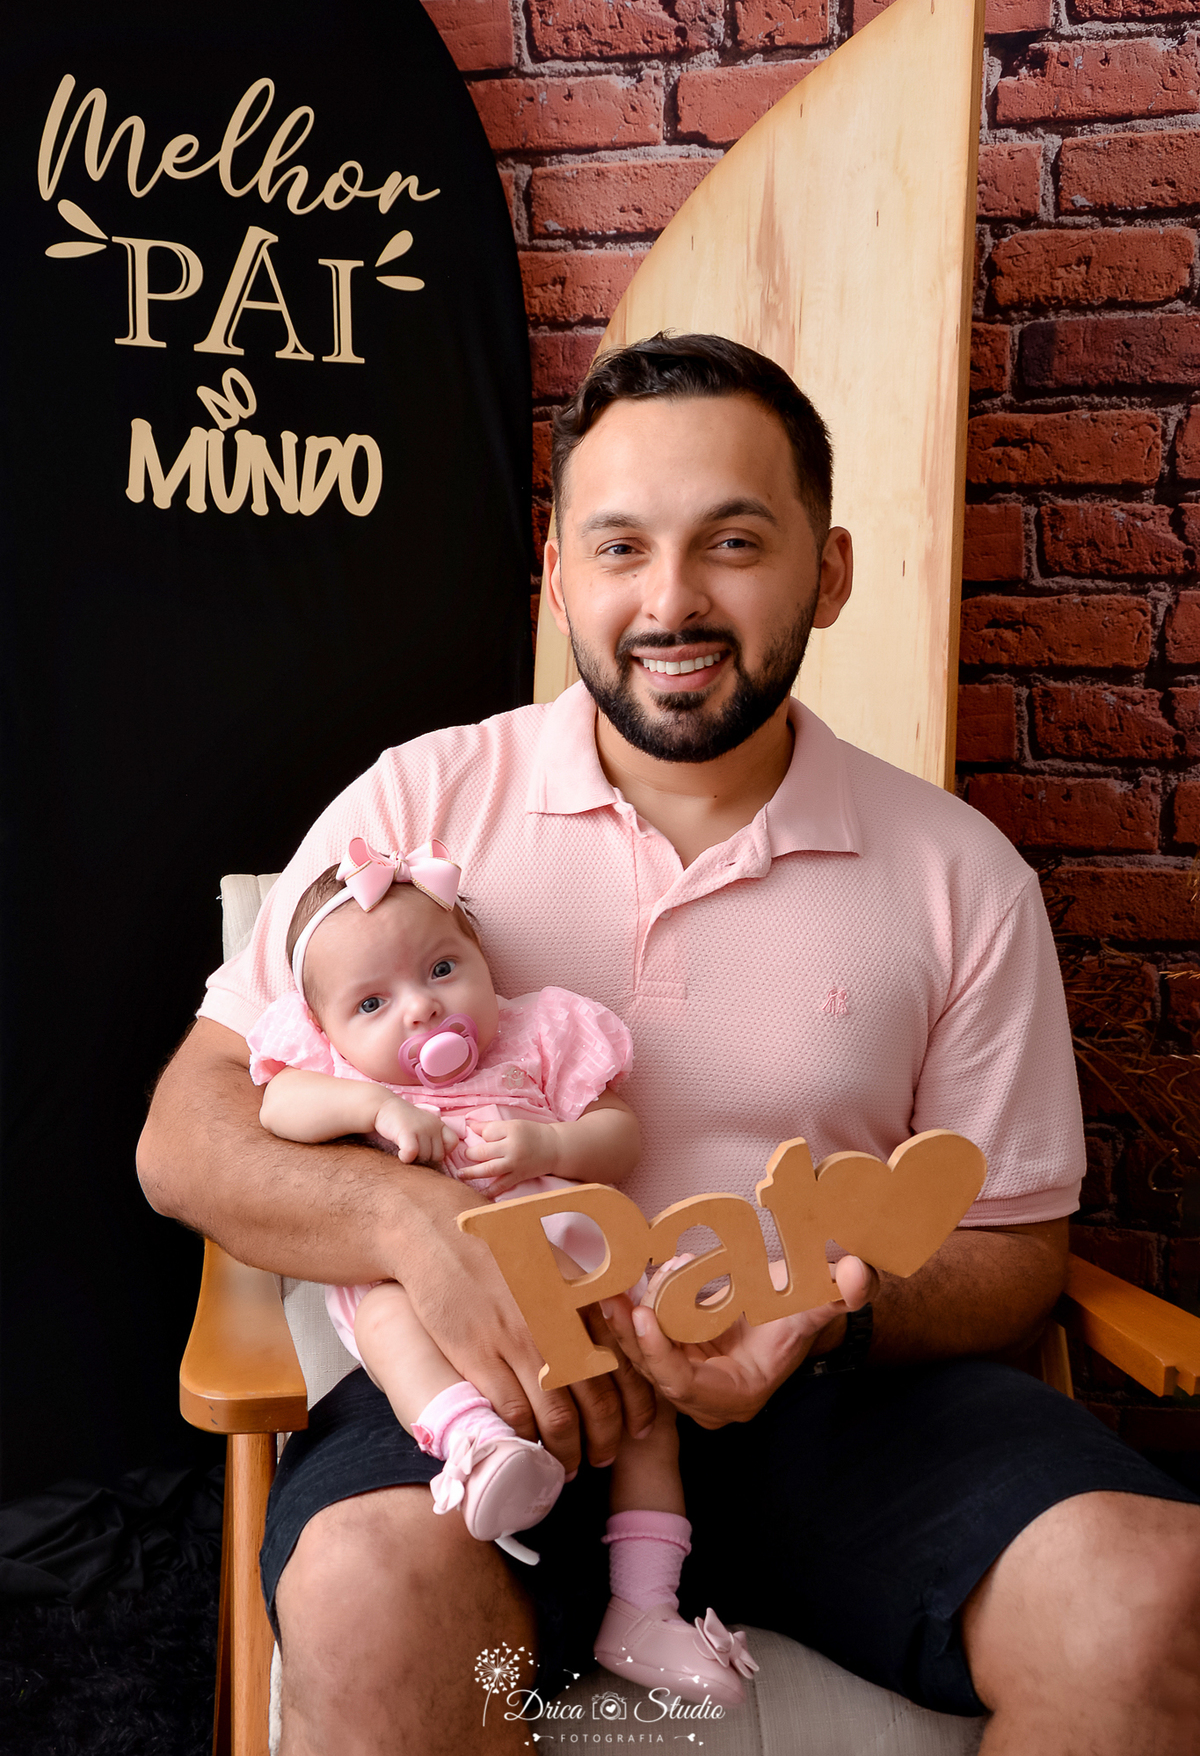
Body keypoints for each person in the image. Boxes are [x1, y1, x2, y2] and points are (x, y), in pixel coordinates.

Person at [138, 334, 1200, 1756]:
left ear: (825, 570)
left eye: (735, 542)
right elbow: (185, 1137)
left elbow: (1014, 1250)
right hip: (502, 1398)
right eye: (621, 545)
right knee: (367, 1591)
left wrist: (830, 1311)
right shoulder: (416, 809)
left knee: (1151, 1597)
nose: (672, 600)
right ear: (560, 569)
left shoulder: (960, 876)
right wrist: (412, 1223)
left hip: (845, 1417)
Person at [249, 834, 756, 1703]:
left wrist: (550, 1143)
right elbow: (279, 1105)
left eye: (443, 969)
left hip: (576, 1271)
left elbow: (621, 1136)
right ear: (325, 1030)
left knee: (649, 1407)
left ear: (483, 963)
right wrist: (370, 1104)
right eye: (372, 1003)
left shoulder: (538, 1033)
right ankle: (472, 1447)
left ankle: (645, 1607)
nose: (419, 1010)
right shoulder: (334, 1074)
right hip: (428, 1300)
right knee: (382, 1317)